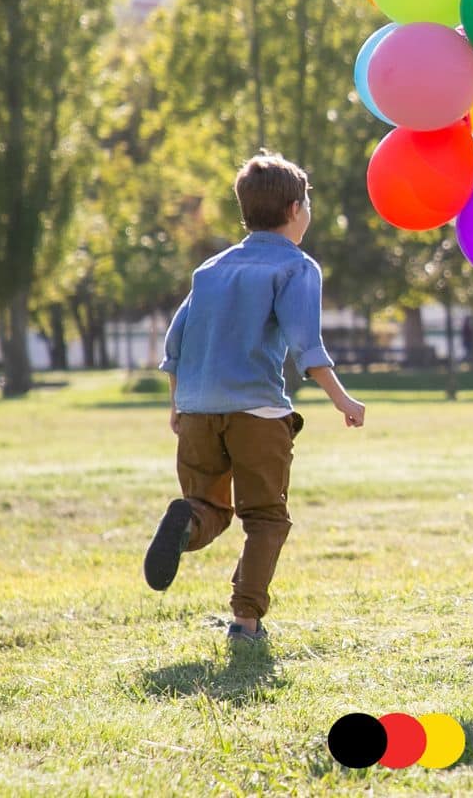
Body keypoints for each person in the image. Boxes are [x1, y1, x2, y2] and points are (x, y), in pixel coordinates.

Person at [143, 151, 368, 645]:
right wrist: (343, 400)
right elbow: (306, 346)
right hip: (257, 412)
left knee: (208, 507)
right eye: (307, 203)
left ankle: (188, 522)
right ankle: (245, 622)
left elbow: (175, 342)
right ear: (294, 210)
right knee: (265, 518)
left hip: (199, 410)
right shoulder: (296, 267)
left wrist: (177, 403)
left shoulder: (211, 269)